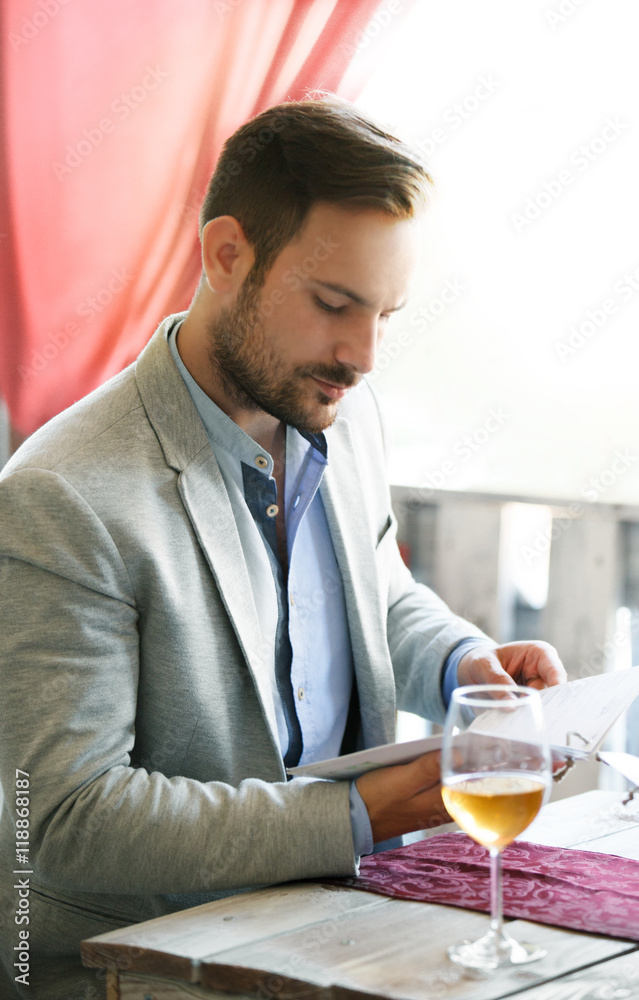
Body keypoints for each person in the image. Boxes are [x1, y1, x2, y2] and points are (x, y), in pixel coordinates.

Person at [0, 96, 566, 999]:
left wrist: (464, 664)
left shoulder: (340, 408)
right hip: (134, 964)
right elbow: (62, 820)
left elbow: (374, 594)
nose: (364, 353)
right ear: (227, 256)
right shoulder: (62, 496)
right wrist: (350, 816)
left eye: (386, 313)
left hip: (337, 921)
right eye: (335, 303)